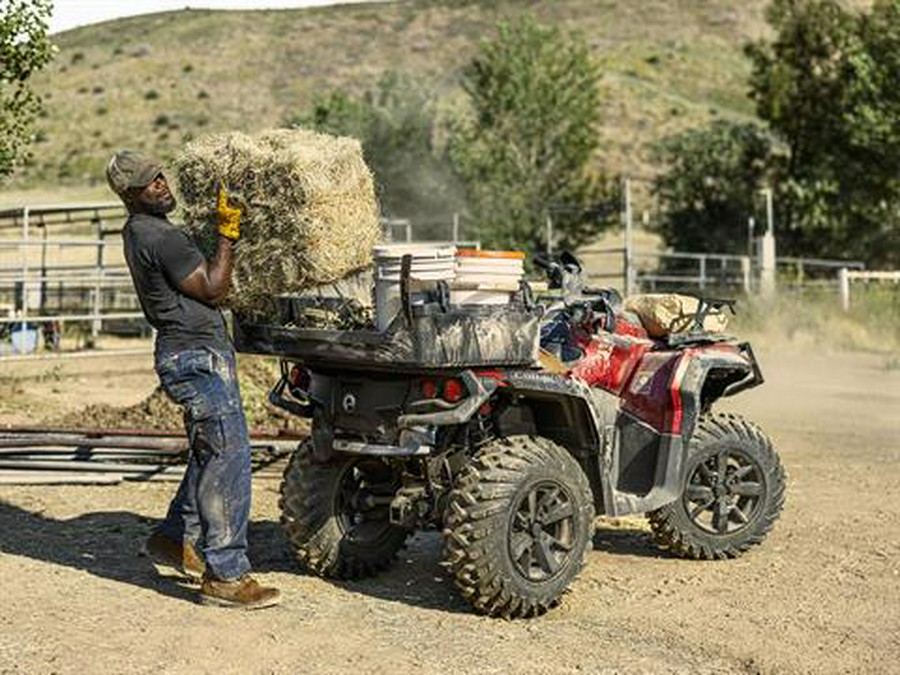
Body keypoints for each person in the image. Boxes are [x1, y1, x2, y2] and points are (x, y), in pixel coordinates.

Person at [106, 150, 280, 609]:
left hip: (185, 352)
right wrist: (228, 235)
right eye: (150, 183)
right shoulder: (161, 236)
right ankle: (225, 575)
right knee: (229, 455)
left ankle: (172, 538)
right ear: (131, 195)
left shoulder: (136, 230)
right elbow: (213, 288)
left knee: (210, 450)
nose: (162, 184)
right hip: (197, 356)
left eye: (161, 176)